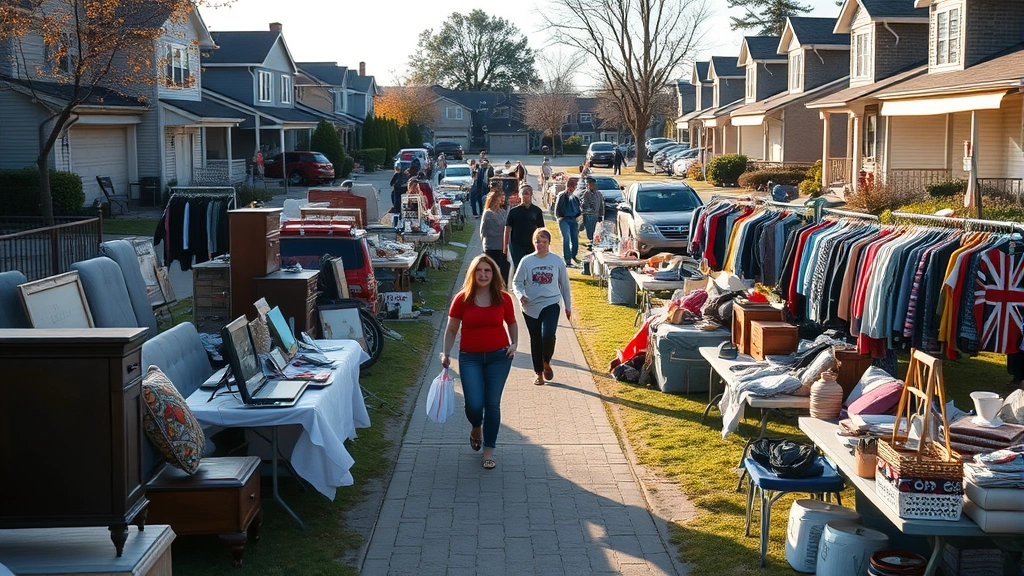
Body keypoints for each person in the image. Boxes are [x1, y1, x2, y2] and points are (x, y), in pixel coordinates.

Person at [441, 255, 517, 470]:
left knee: (492, 403)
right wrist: (446, 353)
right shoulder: (462, 299)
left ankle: (489, 450)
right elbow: (452, 329)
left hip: (499, 357)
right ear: (472, 274)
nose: (483, 274)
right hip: (470, 358)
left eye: (488, 271)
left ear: (494, 274)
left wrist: (514, 344)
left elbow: (511, 322)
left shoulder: (503, 298)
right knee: (474, 404)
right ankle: (476, 426)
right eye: (479, 271)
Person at [512, 228, 572, 387]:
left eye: (544, 242)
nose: (540, 245)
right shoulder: (527, 261)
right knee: (536, 340)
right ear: (533, 242)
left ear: (549, 243)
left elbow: (564, 285)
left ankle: (546, 361)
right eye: (538, 241)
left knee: (548, 335)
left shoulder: (556, 261)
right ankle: (539, 374)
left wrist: (568, 306)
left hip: (551, 303)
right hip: (530, 306)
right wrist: (520, 295)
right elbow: (516, 282)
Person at [503, 184, 545, 274]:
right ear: (519, 195)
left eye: (527, 193)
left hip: (532, 244)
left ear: (531, 195)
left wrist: (543, 246)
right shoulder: (513, 211)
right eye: (523, 193)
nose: (525, 196)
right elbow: (507, 230)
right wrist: (505, 248)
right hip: (516, 245)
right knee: (518, 268)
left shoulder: (536, 211)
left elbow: (541, 230)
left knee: (531, 268)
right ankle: (517, 286)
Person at [480, 191, 510, 285]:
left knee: (505, 269)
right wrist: (503, 230)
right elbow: (487, 231)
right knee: (492, 269)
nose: (502, 200)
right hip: (492, 247)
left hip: (503, 246)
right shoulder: (488, 214)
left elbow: (508, 226)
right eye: (499, 197)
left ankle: (503, 288)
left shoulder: (503, 212)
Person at [554, 183, 581, 266]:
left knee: (575, 239)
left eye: (573, 188)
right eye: (570, 187)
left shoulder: (575, 197)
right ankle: (567, 259)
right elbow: (557, 207)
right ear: (568, 187)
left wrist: (578, 215)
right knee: (566, 238)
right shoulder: (562, 195)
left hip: (573, 219)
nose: (571, 189)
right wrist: (559, 216)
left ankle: (573, 256)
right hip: (564, 219)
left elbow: (578, 207)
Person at [578, 176, 605, 245]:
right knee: (589, 229)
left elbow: (601, 205)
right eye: (589, 185)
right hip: (588, 215)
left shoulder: (599, 194)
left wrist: (601, 215)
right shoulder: (586, 194)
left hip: (596, 215)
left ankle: (593, 241)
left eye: (592, 184)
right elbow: (584, 204)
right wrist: (590, 210)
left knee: (595, 230)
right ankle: (591, 241)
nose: (591, 186)